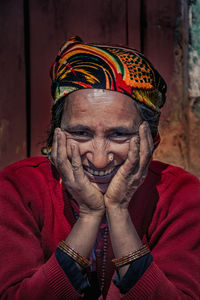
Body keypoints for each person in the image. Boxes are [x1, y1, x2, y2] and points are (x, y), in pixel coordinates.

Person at [0, 36, 200, 300]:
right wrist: (90, 215)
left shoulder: (182, 195)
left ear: (152, 141)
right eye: (80, 132)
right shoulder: (17, 189)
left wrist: (118, 211)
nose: (99, 159)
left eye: (119, 135)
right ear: (56, 135)